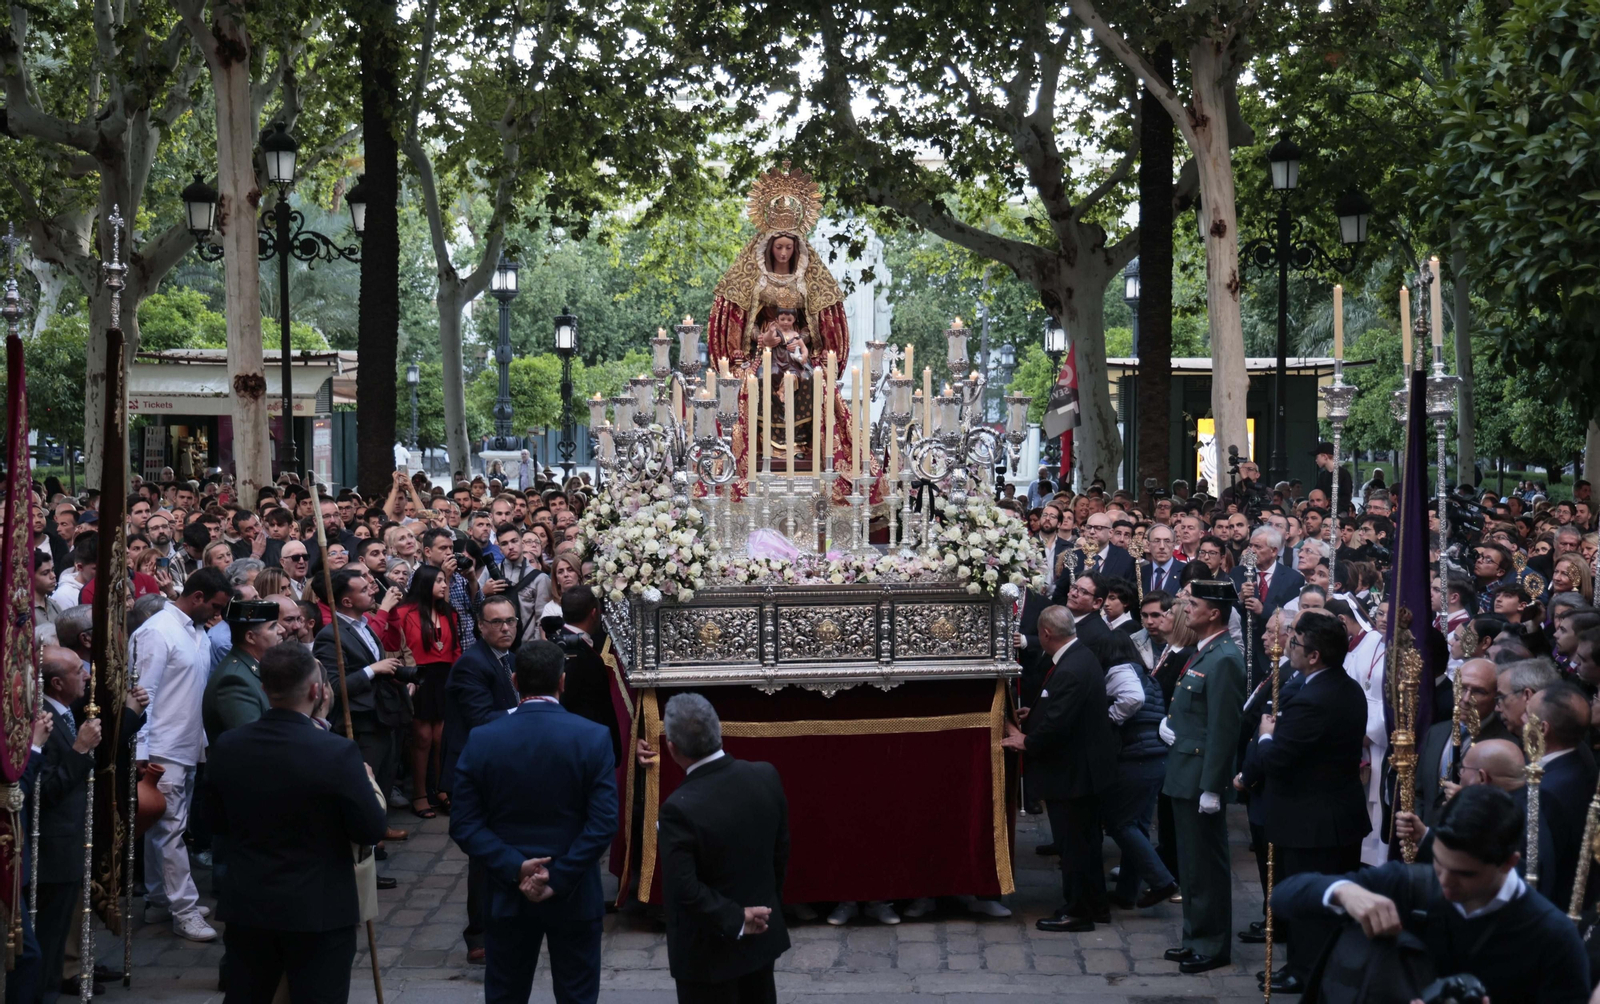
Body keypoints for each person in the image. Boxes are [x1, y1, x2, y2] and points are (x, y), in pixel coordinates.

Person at [1273, 785, 1589, 1003]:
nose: (1446, 882)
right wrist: (1344, 891)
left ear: (1509, 863)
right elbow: (1285, 895)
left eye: (1466, 874)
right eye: (1439, 863)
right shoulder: (1411, 885)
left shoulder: (1552, 938)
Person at [201, 642, 388, 1001]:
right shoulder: (336, 752)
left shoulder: (229, 745)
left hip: (250, 903)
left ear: (264, 688)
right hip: (318, 909)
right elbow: (371, 829)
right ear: (317, 691)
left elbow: (214, 821)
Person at [448, 641, 618, 1004]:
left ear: (513, 681)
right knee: (577, 994)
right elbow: (603, 823)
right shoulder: (592, 737)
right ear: (562, 681)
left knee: (506, 993)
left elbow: (464, 823)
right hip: (573, 893)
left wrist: (516, 867)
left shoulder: (484, 738)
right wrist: (558, 877)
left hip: (507, 892)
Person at [1238, 610, 1369, 994]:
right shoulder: (1344, 687)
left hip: (1312, 822)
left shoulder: (1312, 699)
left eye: (1294, 642)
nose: (1287, 647)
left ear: (1314, 655)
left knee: (1311, 904)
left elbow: (1277, 758)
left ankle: (1306, 972)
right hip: (1333, 815)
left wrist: (1265, 735)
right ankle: (1302, 965)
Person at [656, 693, 790, 1004]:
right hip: (761, 936)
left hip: (708, 955)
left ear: (672, 748)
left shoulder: (677, 810)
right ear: (719, 730)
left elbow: (684, 888)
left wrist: (737, 918)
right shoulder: (765, 775)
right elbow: (780, 855)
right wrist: (763, 908)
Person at [34, 646, 147, 1000]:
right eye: (77, 671)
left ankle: (72, 967)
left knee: (68, 917)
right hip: (55, 843)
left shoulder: (67, 711)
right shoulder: (44, 723)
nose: (86, 676)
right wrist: (81, 749)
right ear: (56, 682)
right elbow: (47, 789)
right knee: (51, 935)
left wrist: (132, 714)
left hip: (74, 837)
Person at [1001, 605, 1116, 932]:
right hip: (1083, 771)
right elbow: (1057, 706)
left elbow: (1058, 723)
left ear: (1047, 634)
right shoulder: (1080, 655)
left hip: (1074, 776)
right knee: (1087, 843)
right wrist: (1033, 713)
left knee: (1075, 846)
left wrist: (1026, 740)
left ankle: (1078, 911)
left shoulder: (1070, 669)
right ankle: (1096, 904)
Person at [132, 566, 231, 942]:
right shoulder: (157, 631)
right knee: (170, 830)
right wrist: (143, 751)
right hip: (161, 747)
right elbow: (143, 694)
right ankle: (184, 909)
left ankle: (160, 899)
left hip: (188, 744)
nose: (218, 615)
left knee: (169, 829)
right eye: (216, 606)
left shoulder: (196, 630)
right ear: (198, 598)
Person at [1159, 580, 1246, 974]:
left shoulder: (1225, 657)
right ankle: (1194, 936)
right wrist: (1171, 722)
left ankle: (1212, 945)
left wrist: (1213, 786)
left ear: (1214, 613)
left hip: (1200, 777)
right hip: (1184, 768)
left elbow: (1224, 728)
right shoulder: (1204, 651)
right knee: (1190, 865)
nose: (1185, 608)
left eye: (1193, 603)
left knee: (1205, 866)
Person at [443, 594, 522, 964]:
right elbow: (481, 720)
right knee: (483, 857)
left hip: (503, 769)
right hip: (474, 771)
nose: (505, 627)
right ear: (480, 626)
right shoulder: (471, 665)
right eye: (496, 622)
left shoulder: (509, 657)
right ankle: (479, 935)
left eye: (510, 621)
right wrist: (527, 709)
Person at [314, 568, 415, 854]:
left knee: (385, 775)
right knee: (366, 783)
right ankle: (368, 844)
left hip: (383, 713)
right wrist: (374, 669)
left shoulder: (365, 625)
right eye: (363, 589)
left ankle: (379, 827)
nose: (372, 591)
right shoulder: (330, 634)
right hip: (362, 720)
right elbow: (335, 686)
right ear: (346, 601)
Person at [395, 564, 463, 819]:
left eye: (444, 580)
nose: (444, 585)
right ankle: (420, 794)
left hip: (444, 677)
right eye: (438, 581)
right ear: (424, 583)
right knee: (422, 737)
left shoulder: (449, 612)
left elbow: (455, 649)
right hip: (419, 676)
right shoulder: (403, 611)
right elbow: (398, 647)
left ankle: (442, 790)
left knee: (441, 737)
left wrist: (457, 679)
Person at [1524, 682, 1597, 910]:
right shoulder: (1582, 759)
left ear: (1543, 729)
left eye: (1527, 716)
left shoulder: (1547, 790)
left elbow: (1540, 867)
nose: (1522, 721)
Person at [200, 599, 283, 744]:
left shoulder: (253, 668)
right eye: (272, 627)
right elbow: (255, 741)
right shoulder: (234, 681)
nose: (281, 630)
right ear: (250, 637)